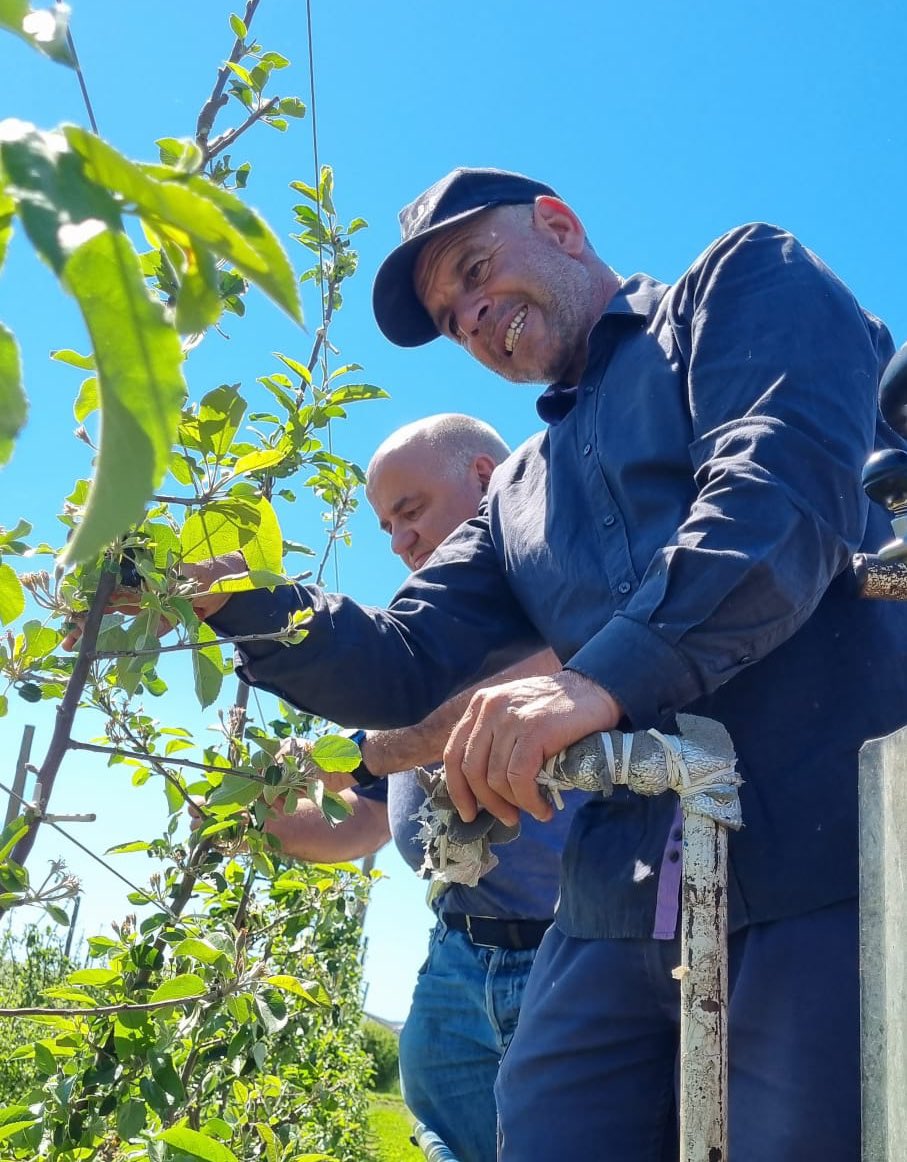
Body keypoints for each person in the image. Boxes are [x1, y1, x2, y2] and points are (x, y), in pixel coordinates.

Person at [187, 168, 906, 1160]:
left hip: (816, 866)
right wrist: (247, 606)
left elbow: (776, 491)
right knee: (549, 1123)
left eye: (476, 272)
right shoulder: (519, 494)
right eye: (450, 315)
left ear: (561, 227)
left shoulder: (742, 284)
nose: (473, 316)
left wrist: (599, 678)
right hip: (618, 900)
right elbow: (404, 660)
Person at [242, 413, 575, 1162]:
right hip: (456, 959)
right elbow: (354, 826)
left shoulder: (557, 593)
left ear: (489, 480)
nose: (399, 540)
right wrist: (246, 811)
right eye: (386, 525)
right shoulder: (419, 648)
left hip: (571, 953)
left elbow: (553, 675)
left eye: (411, 510)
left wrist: (363, 751)